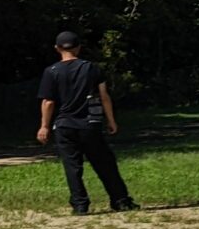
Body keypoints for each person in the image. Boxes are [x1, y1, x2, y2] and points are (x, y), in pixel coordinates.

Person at [35, 31, 135, 214]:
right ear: (79, 47)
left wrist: (44, 126)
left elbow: (48, 102)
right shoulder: (91, 68)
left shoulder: (51, 71)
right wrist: (111, 120)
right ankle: (120, 200)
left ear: (57, 49)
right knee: (105, 163)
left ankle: (80, 204)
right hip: (90, 123)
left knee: (72, 167)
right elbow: (104, 95)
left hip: (64, 125)